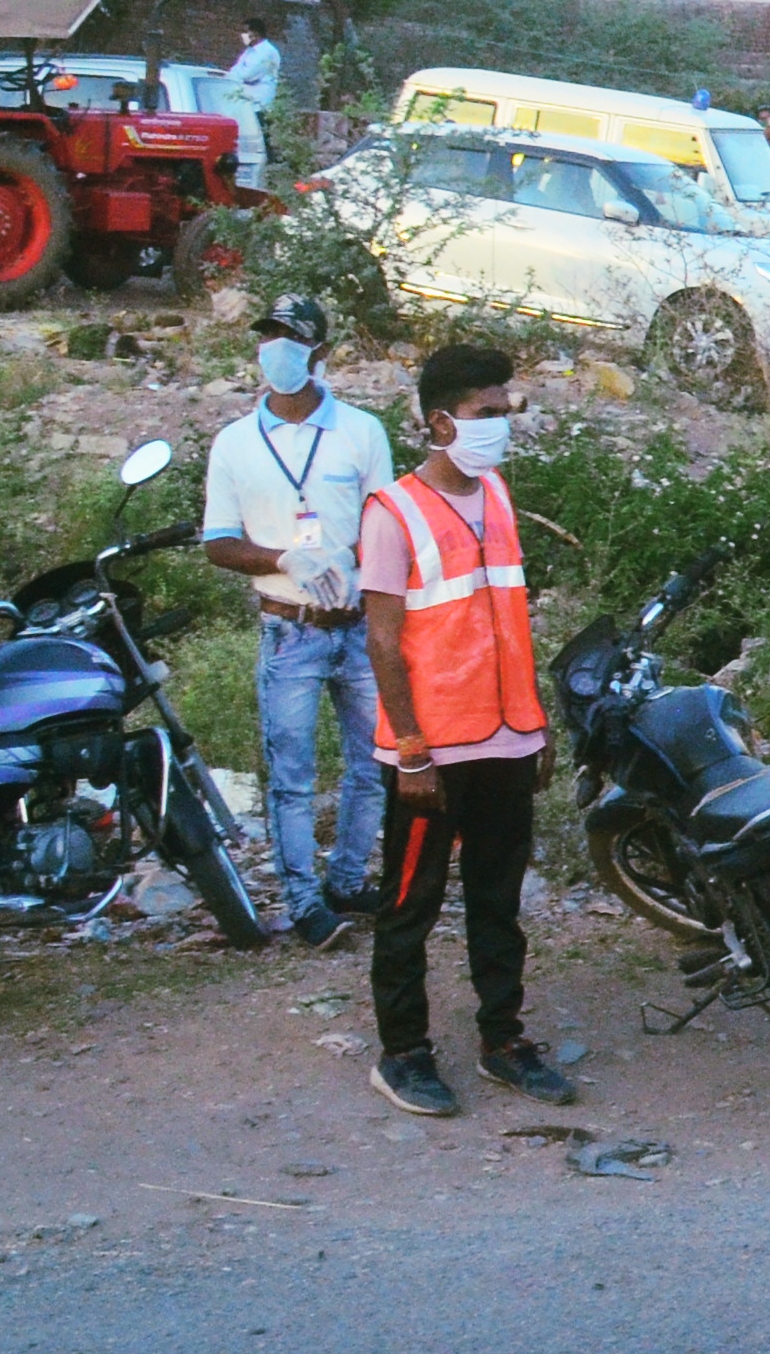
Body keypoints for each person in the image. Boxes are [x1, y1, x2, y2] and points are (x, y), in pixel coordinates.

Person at [355, 342, 576, 1119]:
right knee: (409, 906)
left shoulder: (500, 497)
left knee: (497, 899)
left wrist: (535, 728)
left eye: (506, 411)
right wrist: (411, 748)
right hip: (432, 753)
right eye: (488, 414)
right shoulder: (394, 513)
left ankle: (502, 1041)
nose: (502, 426)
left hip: (506, 740)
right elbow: (383, 641)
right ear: (441, 421)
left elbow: (509, 624)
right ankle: (404, 1054)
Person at [198, 291, 398, 949]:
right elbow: (219, 541)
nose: (276, 347)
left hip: (356, 621)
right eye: (269, 334)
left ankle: (345, 877)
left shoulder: (360, 432)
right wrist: (283, 556)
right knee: (292, 774)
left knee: (371, 764)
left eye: (291, 336)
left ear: (321, 351)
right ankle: (303, 898)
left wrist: (356, 562)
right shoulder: (234, 443)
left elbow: (386, 522)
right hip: (289, 626)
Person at [217, 16, 285, 192]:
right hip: (246, 104)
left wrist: (236, 77)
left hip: (260, 104)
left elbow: (248, 75)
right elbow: (234, 72)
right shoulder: (249, 52)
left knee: (262, 142)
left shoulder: (267, 52)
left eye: (246, 32)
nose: (243, 36)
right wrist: (235, 77)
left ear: (254, 33)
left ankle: (271, 179)